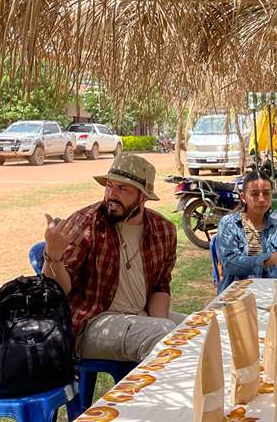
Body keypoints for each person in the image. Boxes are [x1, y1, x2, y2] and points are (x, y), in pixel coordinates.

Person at [43, 154, 183, 362]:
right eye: (109, 186)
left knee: (200, 330)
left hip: (140, 315)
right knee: (163, 334)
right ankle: (142, 394)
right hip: (90, 322)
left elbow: (160, 287)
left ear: (143, 196)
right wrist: (52, 256)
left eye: (123, 189)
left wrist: (156, 323)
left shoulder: (163, 230)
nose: (111, 195)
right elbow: (56, 290)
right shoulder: (87, 223)